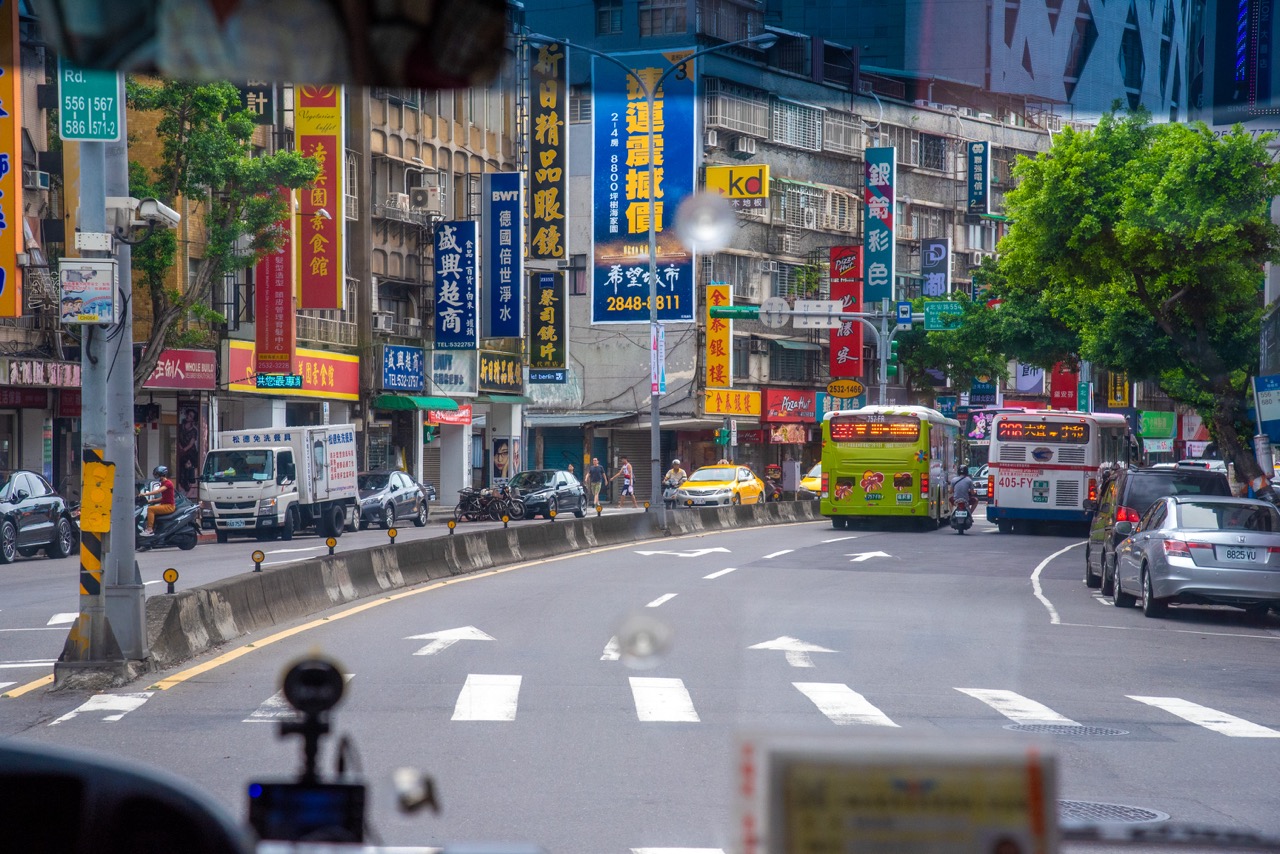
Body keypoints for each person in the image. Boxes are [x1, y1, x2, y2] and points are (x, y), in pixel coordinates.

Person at [140, 465, 177, 536]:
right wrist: (151, 501)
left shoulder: (168, 483)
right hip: (164, 504)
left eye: (157, 474)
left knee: (150, 509)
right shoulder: (163, 483)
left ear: (161, 474)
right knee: (151, 506)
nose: (156, 476)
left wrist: (144, 494)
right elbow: (164, 497)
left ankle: (149, 530)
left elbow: (158, 491)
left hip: (169, 506)